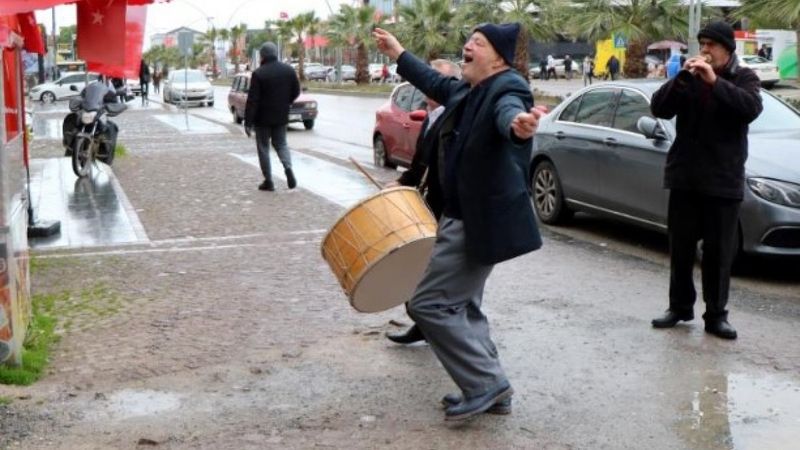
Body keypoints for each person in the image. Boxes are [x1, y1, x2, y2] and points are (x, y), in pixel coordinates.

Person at [373, 23, 547, 421]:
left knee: (427, 303)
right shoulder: (470, 90)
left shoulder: (507, 89)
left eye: (478, 43)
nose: (466, 46)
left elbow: (510, 116)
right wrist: (398, 52)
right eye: (468, 40)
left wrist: (518, 127)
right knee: (464, 305)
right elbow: (432, 79)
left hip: (476, 221)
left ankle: (486, 383)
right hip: (459, 216)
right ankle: (491, 387)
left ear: (499, 58)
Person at [649, 21, 763, 340]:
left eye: (711, 45)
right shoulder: (691, 78)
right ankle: (679, 307)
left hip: (722, 182)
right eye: (702, 44)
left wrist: (715, 83)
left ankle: (716, 315)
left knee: (717, 253)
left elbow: (750, 108)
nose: (705, 51)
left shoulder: (745, 78)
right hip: (685, 178)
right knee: (681, 249)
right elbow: (659, 108)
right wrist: (682, 78)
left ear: (727, 49)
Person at [384, 59, 461, 346]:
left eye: (435, 79)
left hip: (448, 209)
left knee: (439, 277)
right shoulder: (429, 115)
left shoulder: (454, 115)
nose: (428, 85)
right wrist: (402, 183)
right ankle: (424, 323)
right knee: (417, 267)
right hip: (427, 204)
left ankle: (442, 328)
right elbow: (421, 163)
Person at [245, 42, 300, 191]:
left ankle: (268, 181)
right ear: (276, 53)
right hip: (281, 115)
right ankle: (288, 167)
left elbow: (252, 100)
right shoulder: (288, 70)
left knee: (263, 147)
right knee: (281, 144)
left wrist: (248, 122)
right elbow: (296, 91)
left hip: (262, 119)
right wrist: (285, 102)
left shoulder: (258, 74)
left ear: (262, 56)